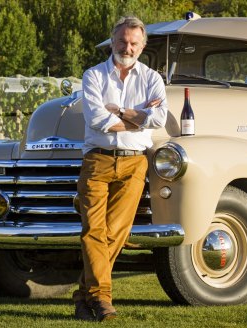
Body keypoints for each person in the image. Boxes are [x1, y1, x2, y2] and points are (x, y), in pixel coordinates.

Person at [72, 16, 168, 322]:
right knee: (93, 231)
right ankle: (101, 300)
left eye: (134, 43)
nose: (127, 47)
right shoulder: (93, 76)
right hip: (97, 161)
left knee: (115, 233)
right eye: (122, 41)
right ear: (112, 42)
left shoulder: (152, 78)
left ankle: (84, 296)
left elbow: (159, 119)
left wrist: (123, 112)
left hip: (133, 163)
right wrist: (138, 116)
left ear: (142, 45)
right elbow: (97, 120)